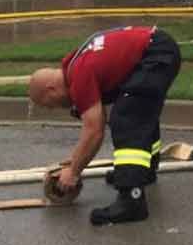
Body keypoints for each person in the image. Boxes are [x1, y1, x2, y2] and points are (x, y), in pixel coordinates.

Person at [27, 26, 181, 225]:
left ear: (51, 89)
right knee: (138, 109)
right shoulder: (75, 65)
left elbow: (94, 130)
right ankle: (142, 172)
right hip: (157, 47)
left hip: (155, 53)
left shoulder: (79, 76)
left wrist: (73, 172)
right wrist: (76, 160)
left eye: (50, 105)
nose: (56, 108)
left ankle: (131, 200)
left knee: (128, 117)